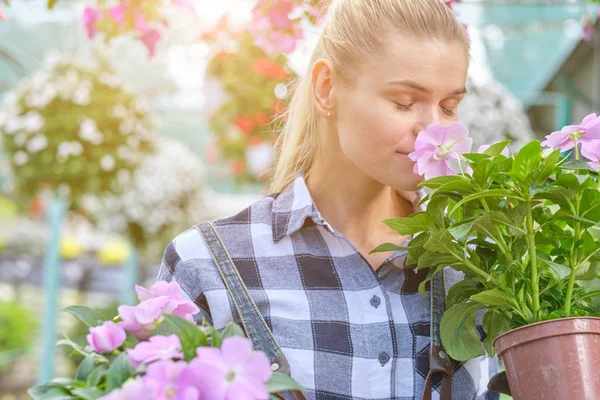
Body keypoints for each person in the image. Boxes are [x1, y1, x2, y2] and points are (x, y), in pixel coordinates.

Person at [157, 0, 498, 398]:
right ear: (325, 88)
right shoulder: (206, 265)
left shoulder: (475, 266)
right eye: (404, 102)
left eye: (448, 106)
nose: (432, 133)